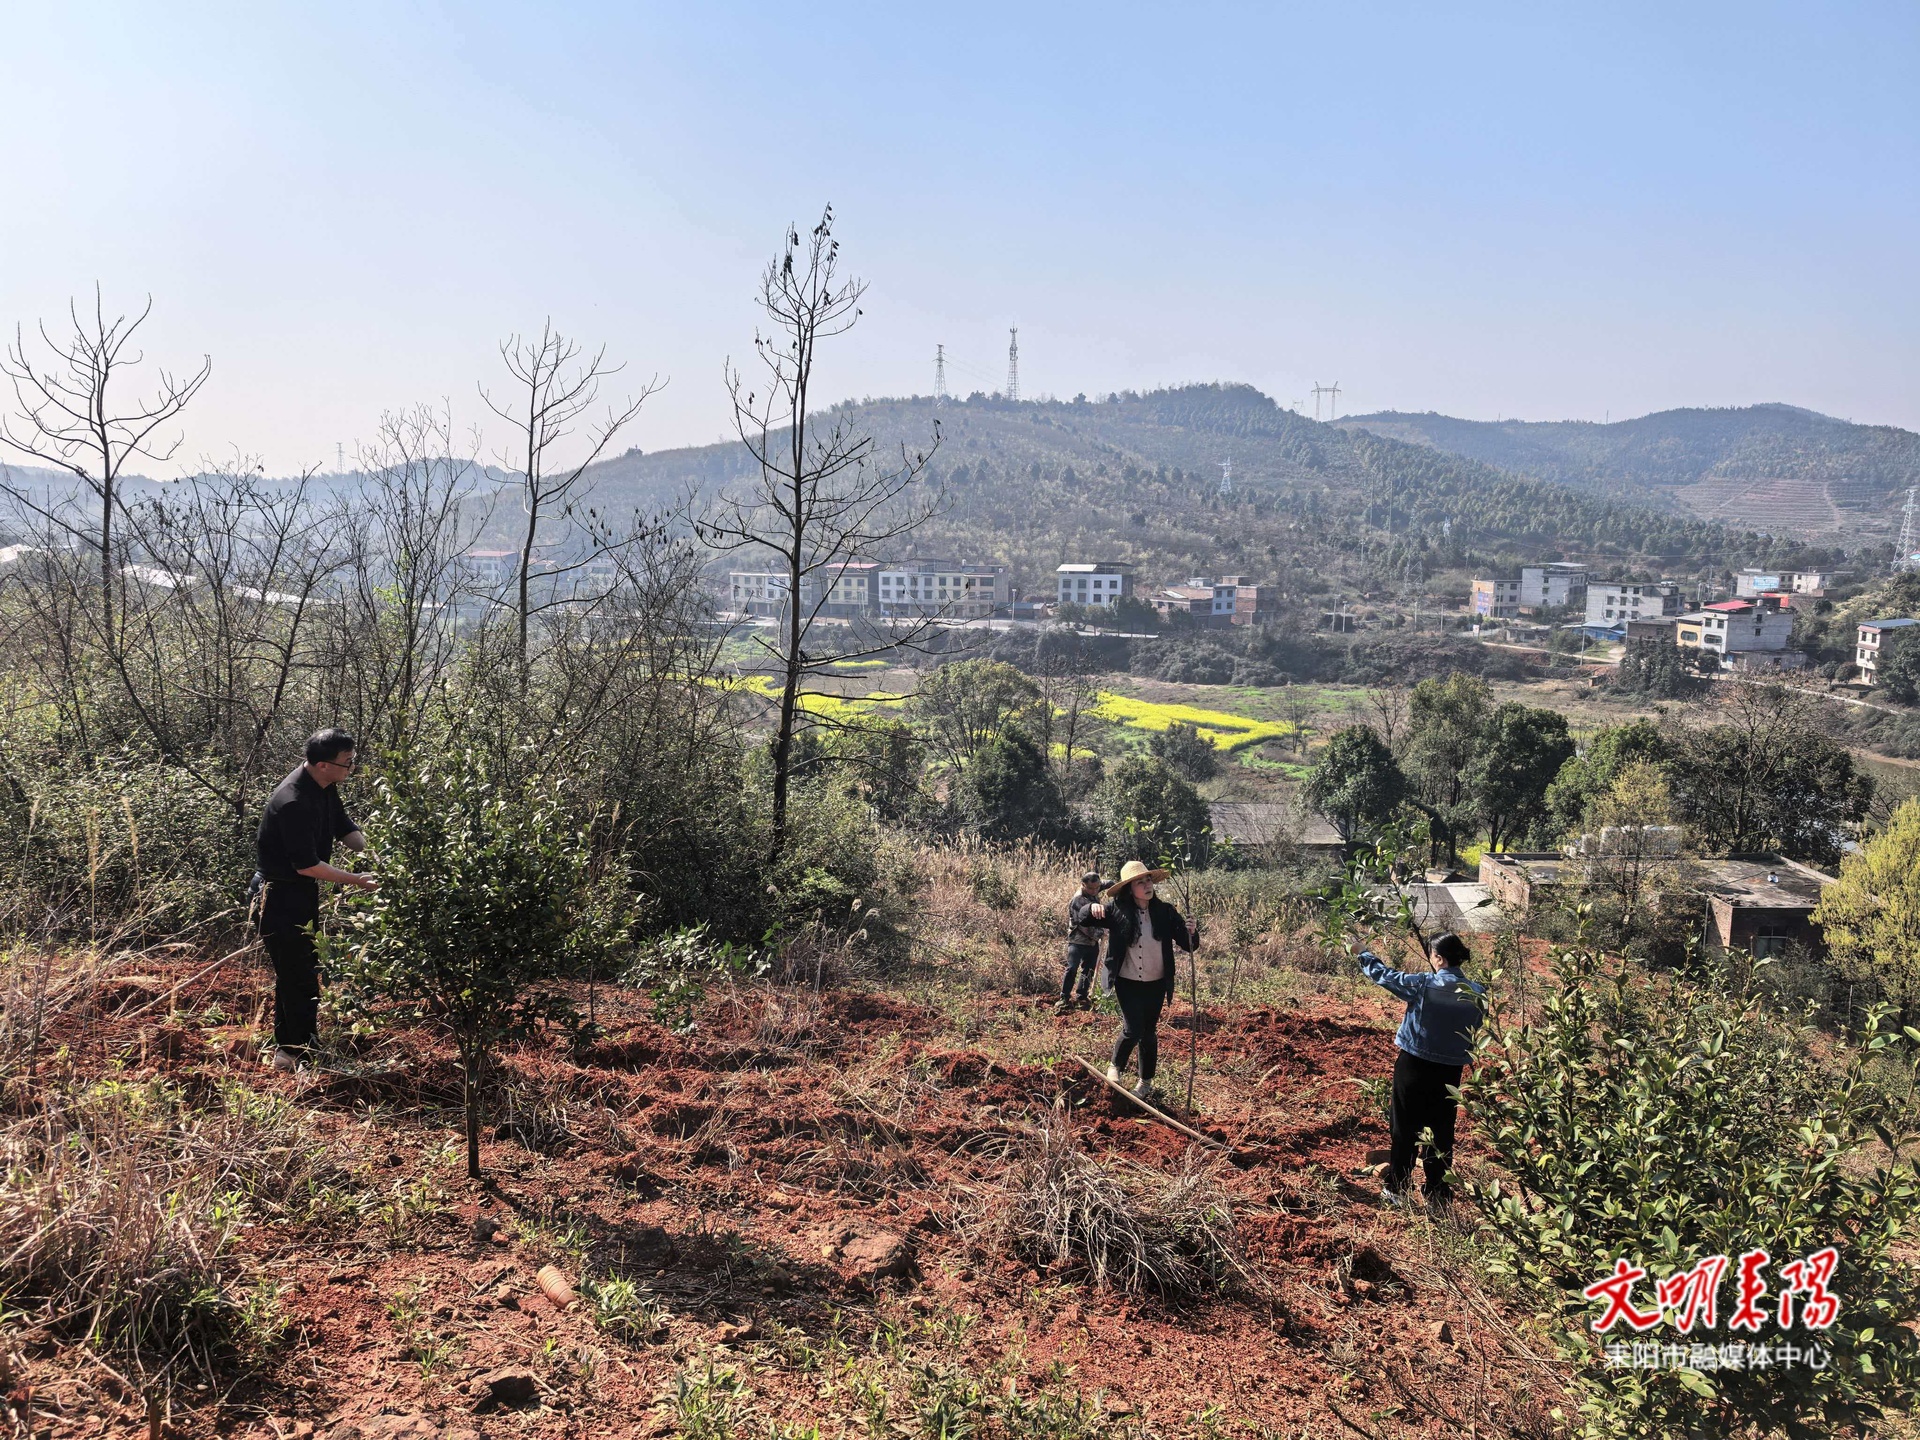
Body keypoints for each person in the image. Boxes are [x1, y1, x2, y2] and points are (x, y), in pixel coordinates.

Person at [255, 727, 376, 1072]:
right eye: (347, 762)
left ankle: (294, 1047)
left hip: (299, 893)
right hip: (277, 896)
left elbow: (343, 827)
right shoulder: (293, 801)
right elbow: (307, 865)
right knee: (298, 976)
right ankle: (296, 1054)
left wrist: (377, 855)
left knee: (301, 972)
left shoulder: (323, 785)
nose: (351, 767)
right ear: (324, 764)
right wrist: (357, 880)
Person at [1357, 931, 1486, 1207]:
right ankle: (1438, 1192)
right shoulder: (1478, 993)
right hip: (1450, 1072)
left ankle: (1397, 1190)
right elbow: (1474, 1030)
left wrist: (1362, 953)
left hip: (1414, 1066)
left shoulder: (1423, 984)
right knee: (1441, 1131)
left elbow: (1385, 976)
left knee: (1405, 1127)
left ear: (1438, 958)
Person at [1093, 859, 1197, 1102]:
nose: (1147, 885)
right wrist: (1091, 907)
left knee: (1148, 1033)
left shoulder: (1166, 912)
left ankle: (1145, 1082)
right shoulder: (1117, 910)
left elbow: (1188, 945)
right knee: (1133, 1029)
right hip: (1127, 981)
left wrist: (1191, 931)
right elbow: (1081, 917)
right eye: (1139, 882)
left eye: (1148, 880)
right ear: (1130, 889)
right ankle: (1115, 1066)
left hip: (1156, 982)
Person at [1056, 870, 1107, 1015]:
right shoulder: (1078, 900)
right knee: (1072, 968)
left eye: (1097, 888)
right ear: (1083, 885)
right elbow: (1082, 924)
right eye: (1090, 888)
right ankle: (1064, 998)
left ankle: (1081, 996)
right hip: (1078, 940)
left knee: (1089, 969)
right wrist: (1100, 934)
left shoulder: (1094, 890)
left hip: (1092, 942)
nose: (1094, 891)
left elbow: (1106, 884)